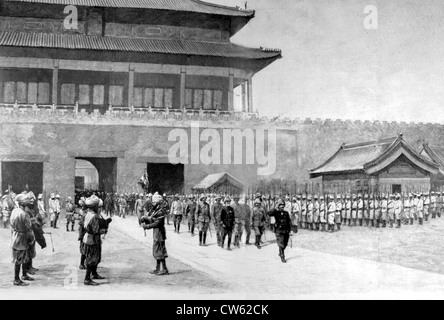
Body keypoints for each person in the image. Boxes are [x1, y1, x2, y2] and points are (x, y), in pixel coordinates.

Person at [82, 195, 112, 286]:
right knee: (92, 259)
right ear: (95, 206)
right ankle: (87, 279)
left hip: (89, 238)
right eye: (98, 207)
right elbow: (96, 230)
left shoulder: (88, 213)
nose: (99, 208)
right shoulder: (94, 216)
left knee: (95, 257)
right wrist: (104, 229)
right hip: (92, 240)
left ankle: (94, 274)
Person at [141, 193, 169, 276]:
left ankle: (164, 269)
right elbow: (152, 219)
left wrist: (147, 226)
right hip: (156, 233)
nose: (152, 204)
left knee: (160, 250)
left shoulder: (160, 211)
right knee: (157, 250)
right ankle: (157, 268)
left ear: (158, 202)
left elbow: (157, 223)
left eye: (154, 202)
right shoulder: (156, 210)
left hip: (159, 232)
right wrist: (145, 219)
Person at [10, 193, 34, 286]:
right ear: (24, 205)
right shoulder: (25, 214)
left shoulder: (14, 211)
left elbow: (11, 224)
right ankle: (17, 279)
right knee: (21, 258)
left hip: (15, 235)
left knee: (22, 257)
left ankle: (24, 275)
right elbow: (28, 227)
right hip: (23, 237)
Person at [268, 198, 291, 263]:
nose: (282, 206)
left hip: (286, 230)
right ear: (278, 206)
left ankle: (280, 252)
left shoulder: (286, 213)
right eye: (280, 205)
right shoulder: (276, 212)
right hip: (279, 230)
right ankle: (282, 256)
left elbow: (289, 222)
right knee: (281, 244)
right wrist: (275, 207)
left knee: (285, 243)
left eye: (283, 205)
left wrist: (290, 230)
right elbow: (269, 213)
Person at [78, 197, 88, 270]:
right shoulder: (83, 215)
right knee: (84, 250)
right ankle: (82, 264)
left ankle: (84, 263)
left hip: (86, 233)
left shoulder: (86, 214)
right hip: (84, 233)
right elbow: (81, 225)